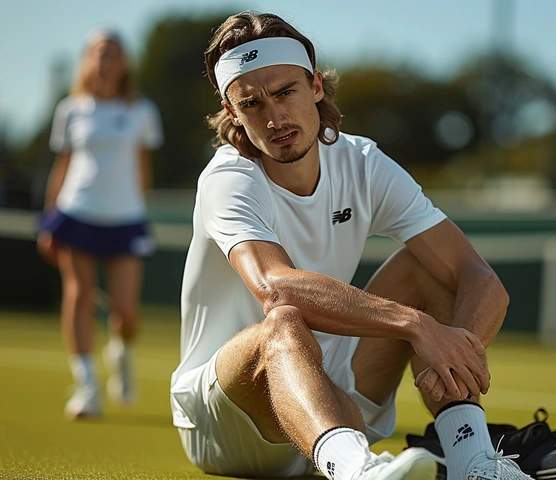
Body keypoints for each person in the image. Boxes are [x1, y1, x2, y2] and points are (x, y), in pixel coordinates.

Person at [171, 11, 531, 480]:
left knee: (427, 270)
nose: (275, 117)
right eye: (252, 103)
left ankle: (474, 463)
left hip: (335, 399)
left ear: (316, 86)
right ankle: (357, 471)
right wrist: (417, 326)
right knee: (282, 322)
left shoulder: (363, 162)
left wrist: (456, 353)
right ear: (232, 112)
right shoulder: (228, 178)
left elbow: (480, 280)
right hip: (229, 423)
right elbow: (276, 289)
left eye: (285, 93)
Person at [37, 29, 164, 420]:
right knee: (78, 295)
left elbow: (143, 171)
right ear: (88, 60)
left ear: (124, 62)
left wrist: (139, 212)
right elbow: (63, 167)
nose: (105, 61)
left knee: (126, 312)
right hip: (77, 214)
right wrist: (49, 220)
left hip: (125, 220)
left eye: (113, 54)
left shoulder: (142, 111)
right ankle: (87, 387)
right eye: (98, 54)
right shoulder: (70, 109)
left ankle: (120, 353)